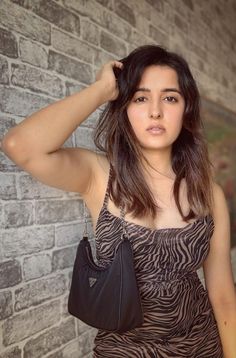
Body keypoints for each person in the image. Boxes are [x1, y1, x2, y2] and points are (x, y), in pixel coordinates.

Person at [1, 45, 236, 357]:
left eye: (170, 97)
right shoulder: (100, 176)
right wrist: (101, 90)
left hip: (201, 346)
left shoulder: (208, 193)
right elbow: (20, 145)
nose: (155, 111)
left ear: (186, 109)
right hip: (123, 349)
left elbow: (222, 296)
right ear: (124, 107)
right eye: (140, 98)